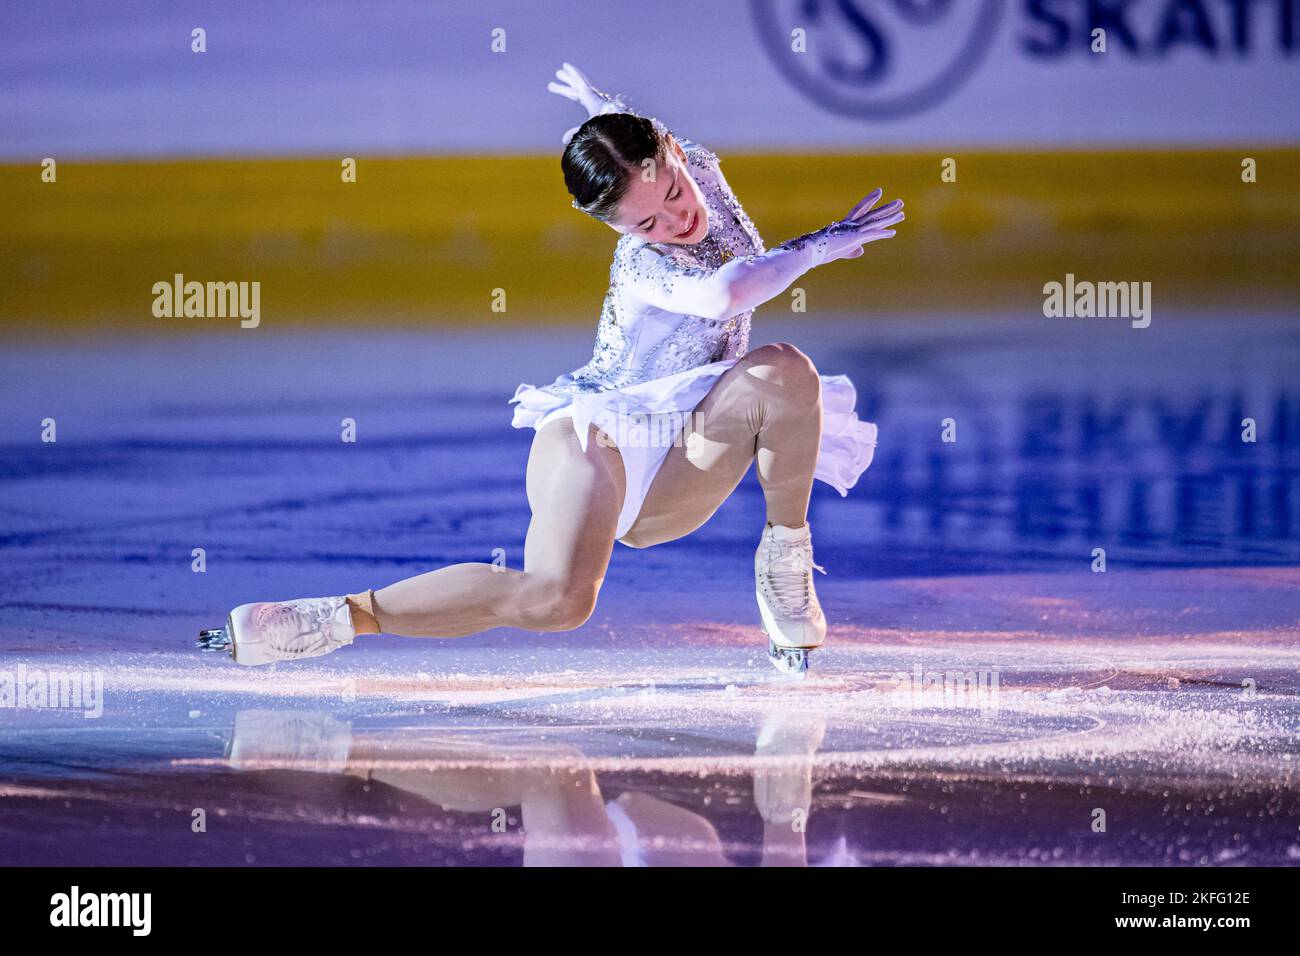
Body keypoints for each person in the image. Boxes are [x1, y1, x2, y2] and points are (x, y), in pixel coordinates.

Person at [199, 64, 903, 674]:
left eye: (673, 196)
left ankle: (784, 564)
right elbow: (728, 292)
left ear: (675, 155)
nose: (675, 222)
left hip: (687, 448)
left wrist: (599, 107)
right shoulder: (643, 264)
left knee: (785, 372)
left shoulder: (693, 162)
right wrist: (819, 245)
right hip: (597, 433)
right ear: (616, 231)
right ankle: (332, 619)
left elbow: (641, 132)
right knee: (557, 600)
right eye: (644, 223)